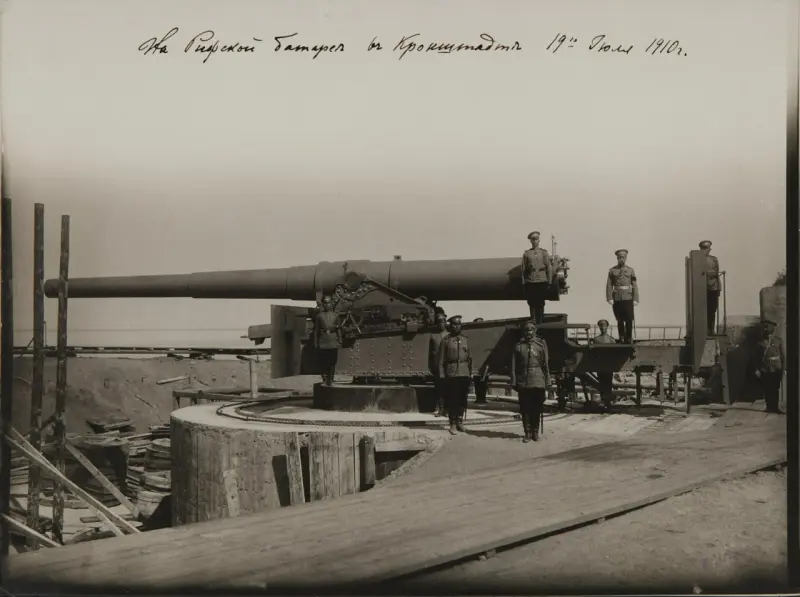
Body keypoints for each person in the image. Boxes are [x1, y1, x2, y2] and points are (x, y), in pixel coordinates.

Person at [510, 320, 550, 442]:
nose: (529, 332)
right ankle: (527, 432)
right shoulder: (518, 347)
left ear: (535, 331)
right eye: (526, 330)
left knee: (537, 407)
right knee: (525, 408)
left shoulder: (540, 346)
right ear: (523, 331)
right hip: (524, 380)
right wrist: (514, 381)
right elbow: (513, 366)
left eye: (531, 329)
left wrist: (547, 380)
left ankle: (535, 432)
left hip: (538, 380)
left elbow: (545, 365)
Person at [436, 315, 473, 435]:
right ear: (450, 326)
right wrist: (442, 375)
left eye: (458, 324)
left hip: (464, 373)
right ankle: (452, 423)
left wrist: (469, 374)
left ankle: (459, 422)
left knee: (462, 399)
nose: (456, 326)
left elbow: (469, 359)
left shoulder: (465, 339)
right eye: (454, 324)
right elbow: (440, 361)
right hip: (451, 373)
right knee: (453, 400)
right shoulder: (446, 341)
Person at [606, 249, 639, 344]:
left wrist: (635, 299)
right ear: (617, 258)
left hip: (628, 297)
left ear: (626, 258)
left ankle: (628, 338)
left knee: (629, 319)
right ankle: (621, 337)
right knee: (619, 319)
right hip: (617, 298)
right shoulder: (612, 271)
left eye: (623, 257)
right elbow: (609, 285)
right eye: (620, 257)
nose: (621, 259)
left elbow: (634, 285)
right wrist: (610, 298)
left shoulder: (630, 270)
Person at [521, 231, 553, 325]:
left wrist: (549, 281)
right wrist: (523, 283)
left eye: (536, 239)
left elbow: (548, 268)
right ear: (530, 241)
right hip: (530, 280)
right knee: (531, 301)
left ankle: (540, 319)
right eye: (532, 240)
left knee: (540, 301)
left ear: (539, 240)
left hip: (542, 280)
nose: (534, 241)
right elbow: (523, 269)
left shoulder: (544, 253)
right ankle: (533, 319)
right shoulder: (527, 254)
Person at [754, 319, 785, 414]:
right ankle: (769, 407)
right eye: (765, 327)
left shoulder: (778, 340)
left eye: (768, 327)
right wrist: (757, 369)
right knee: (767, 388)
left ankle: (775, 407)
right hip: (765, 368)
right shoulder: (760, 342)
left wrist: (784, 368)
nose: (766, 329)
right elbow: (756, 357)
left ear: (773, 328)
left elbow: (783, 355)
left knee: (775, 388)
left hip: (776, 368)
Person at [314, 295, 342, 386]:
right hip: (323, 340)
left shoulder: (335, 315)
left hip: (333, 339)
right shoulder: (319, 316)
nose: (328, 305)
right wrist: (316, 342)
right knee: (323, 362)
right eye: (326, 303)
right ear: (323, 304)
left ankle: (331, 379)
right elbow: (316, 330)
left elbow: (338, 329)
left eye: (329, 302)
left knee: (332, 362)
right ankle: (325, 379)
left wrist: (340, 340)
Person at [591, 319, 616, 409]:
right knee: (602, 383)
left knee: (608, 383)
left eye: (604, 326)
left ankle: (607, 401)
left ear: (607, 327)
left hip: (607, 365)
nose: (603, 328)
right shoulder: (596, 339)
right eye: (601, 326)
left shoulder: (611, 340)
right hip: (601, 365)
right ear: (599, 327)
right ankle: (604, 400)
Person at [429, 313, 449, 417]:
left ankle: (447, 409)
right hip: (438, 366)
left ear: (446, 323)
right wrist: (431, 366)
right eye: (439, 322)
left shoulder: (450, 335)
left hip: (448, 366)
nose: (441, 324)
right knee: (439, 388)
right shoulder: (433, 336)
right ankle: (440, 409)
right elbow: (430, 353)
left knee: (448, 388)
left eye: (443, 322)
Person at [699, 240, 721, 335]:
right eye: (704, 248)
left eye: (707, 248)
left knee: (712, 310)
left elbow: (716, 273)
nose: (706, 250)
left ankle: (710, 329)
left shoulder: (714, 259)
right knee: (703, 310)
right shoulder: (698, 260)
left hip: (713, 288)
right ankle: (704, 329)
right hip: (702, 288)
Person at [472, 318, 490, 406]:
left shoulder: (486, 336)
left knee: (484, 382)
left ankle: (482, 398)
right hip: (477, 364)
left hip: (484, 364)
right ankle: (479, 398)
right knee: (477, 382)